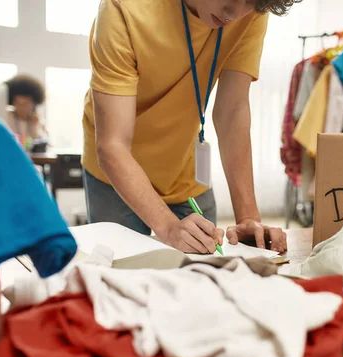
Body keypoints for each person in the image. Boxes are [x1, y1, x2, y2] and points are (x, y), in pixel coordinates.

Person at [82, 0, 298, 254]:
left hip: (185, 168)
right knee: (120, 275)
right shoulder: (122, 8)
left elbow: (232, 112)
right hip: (117, 173)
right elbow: (113, 145)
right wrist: (168, 227)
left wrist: (248, 219)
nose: (236, 14)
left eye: (250, 4)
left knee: (205, 271)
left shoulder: (252, 11)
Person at [4, 75, 48, 150]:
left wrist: (34, 126)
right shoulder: (5, 118)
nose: (22, 108)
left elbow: (42, 145)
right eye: (18, 103)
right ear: (12, 102)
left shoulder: (38, 122)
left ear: (33, 104)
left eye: (26, 104)